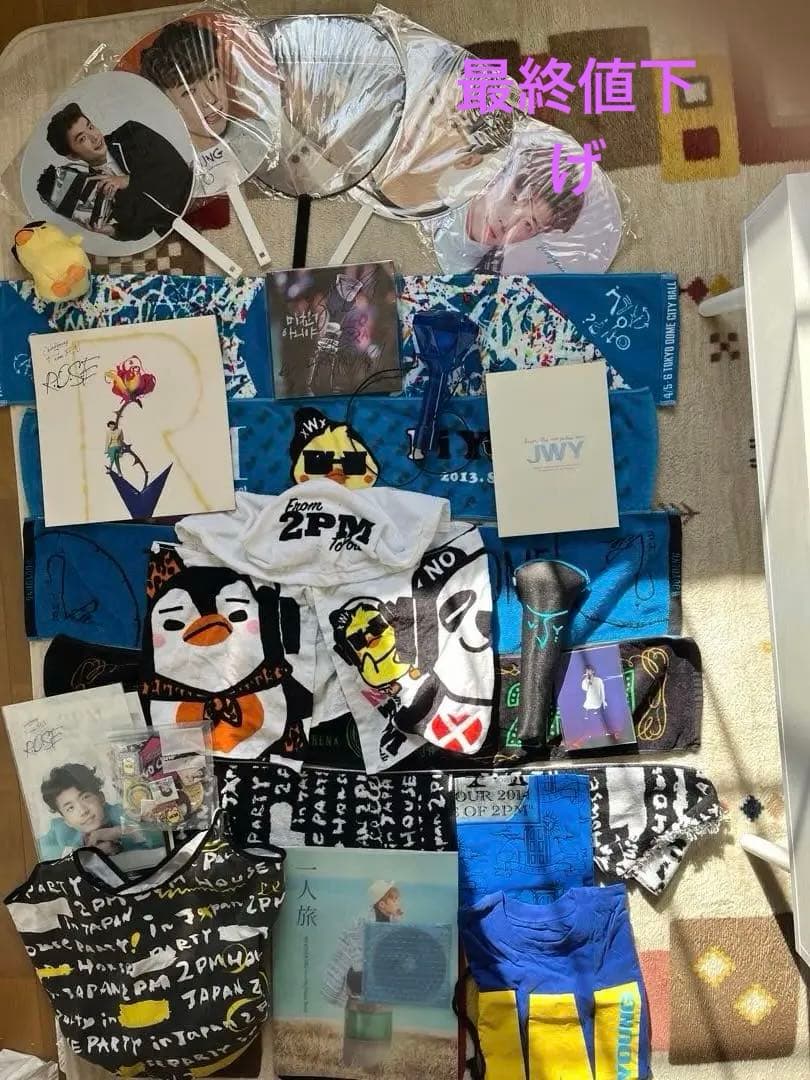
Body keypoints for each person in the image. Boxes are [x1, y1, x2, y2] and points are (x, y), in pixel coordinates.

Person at [40, 102, 192, 241]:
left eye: (90, 127)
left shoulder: (131, 133)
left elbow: (176, 168)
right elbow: (143, 229)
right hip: (175, 234)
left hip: (198, 198)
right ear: (72, 156)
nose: (94, 137)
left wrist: (127, 181)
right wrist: (111, 231)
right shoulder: (95, 189)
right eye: (82, 139)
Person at [139, 20, 275, 170]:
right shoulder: (169, 171)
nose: (210, 99)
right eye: (189, 92)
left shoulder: (260, 135)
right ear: (167, 105)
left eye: (212, 78)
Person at [465, 145, 585, 272]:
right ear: (498, 177)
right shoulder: (457, 172)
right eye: (514, 198)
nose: (507, 223)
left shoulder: (485, 276)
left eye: (528, 224)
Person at [322, 881, 402, 1069]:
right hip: (360, 977)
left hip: (374, 978)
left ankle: (371, 1062)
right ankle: (357, 1062)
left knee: (376, 1019)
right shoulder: (362, 922)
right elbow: (359, 958)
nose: (398, 903)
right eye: (394, 900)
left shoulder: (390, 920)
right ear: (382, 904)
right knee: (365, 1019)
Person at [38, 762, 161, 860]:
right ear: (66, 820)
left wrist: (119, 832)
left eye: (85, 797)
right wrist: (86, 854)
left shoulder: (122, 812)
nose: (83, 811)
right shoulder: (60, 831)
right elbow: (39, 855)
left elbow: (161, 835)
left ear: (101, 798)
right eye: (70, 808)